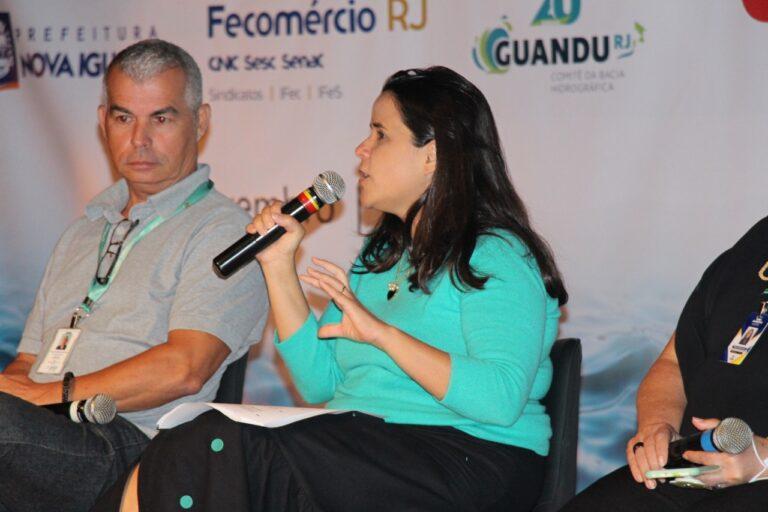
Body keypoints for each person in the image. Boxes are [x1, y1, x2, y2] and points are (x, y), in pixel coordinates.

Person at [97, 66, 568, 512]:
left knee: (224, 448)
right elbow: (318, 381)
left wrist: (383, 335)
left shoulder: (496, 255)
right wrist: (278, 265)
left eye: (380, 135)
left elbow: (499, 399)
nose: (361, 149)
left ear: (432, 155)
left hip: (466, 455)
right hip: (363, 445)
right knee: (189, 440)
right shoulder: (381, 256)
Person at [0, 39, 268, 512]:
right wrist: (23, 392)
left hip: (129, 442)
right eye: (124, 118)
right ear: (103, 121)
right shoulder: (83, 231)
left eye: (161, 119)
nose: (139, 139)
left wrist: (47, 395)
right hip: (38, 428)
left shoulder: (225, 232)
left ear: (200, 122)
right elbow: (26, 363)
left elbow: (186, 368)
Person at [562, 221, 768, 511]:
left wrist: (762, 460)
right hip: (693, 465)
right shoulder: (755, 246)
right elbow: (673, 362)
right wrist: (658, 425)